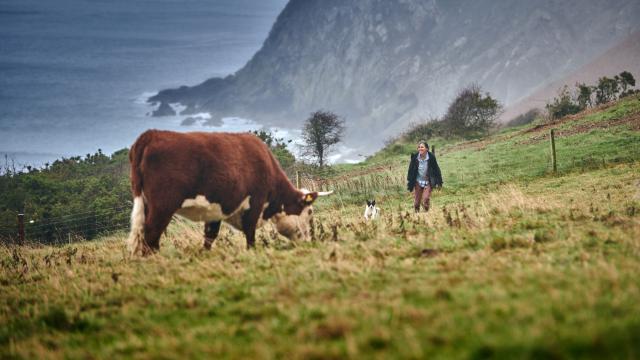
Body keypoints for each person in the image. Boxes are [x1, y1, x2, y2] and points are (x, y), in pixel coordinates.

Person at [406, 140, 443, 212]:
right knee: (416, 204)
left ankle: (427, 213)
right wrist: (410, 182)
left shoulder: (431, 157)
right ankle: (417, 216)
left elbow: (436, 170)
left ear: (427, 149)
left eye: (422, 147)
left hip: (428, 181)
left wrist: (439, 182)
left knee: (425, 199)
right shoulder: (415, 158)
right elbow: (410, 170)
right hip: (418, 181)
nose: (420, 148)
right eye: (419, 147)